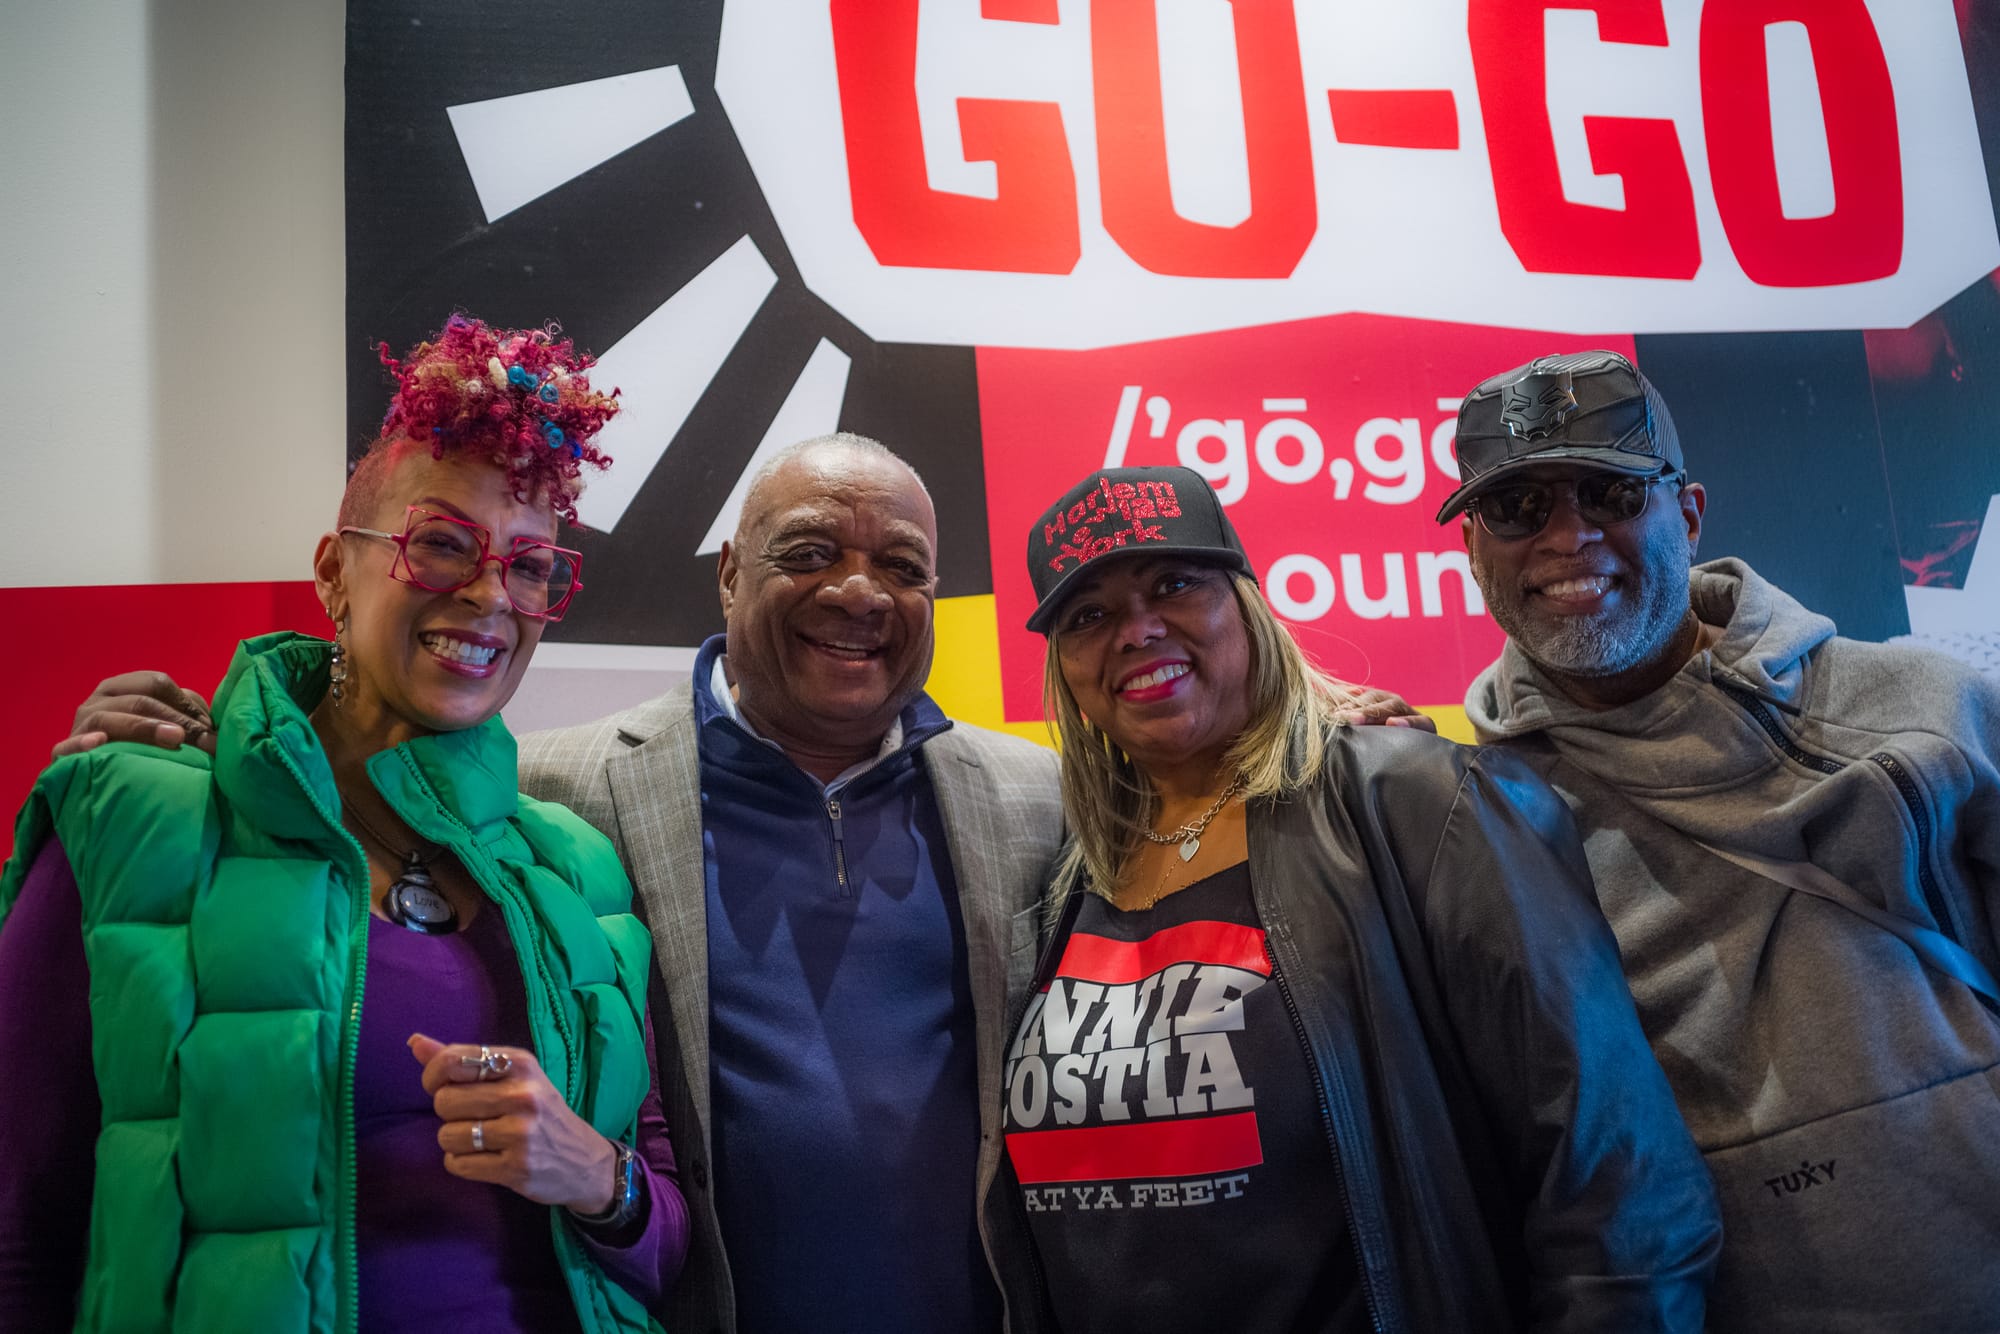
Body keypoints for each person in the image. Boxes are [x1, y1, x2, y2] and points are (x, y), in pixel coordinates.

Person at [53, 433, 1426, 1334]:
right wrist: (178, 743)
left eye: (900, 565)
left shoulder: (1031, 797)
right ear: (726, 577)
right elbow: (360, 798)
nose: (858, 591)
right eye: (810, 552)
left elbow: (1189, 802)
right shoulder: (556, 795)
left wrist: (1317, 727)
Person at [0, 316, 687, 1333]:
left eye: (531, 564)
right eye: (441, 544)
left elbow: (664, 1230)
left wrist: (600, 1176)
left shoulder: (573, 864)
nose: (492, 595)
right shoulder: (135, 816)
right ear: (333, 571)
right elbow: (17, 1226)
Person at [993, 463, 1721, 1332]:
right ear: (1065, 669)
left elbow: (1619, 1178)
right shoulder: (1069, 875)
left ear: (1247, 606)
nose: (1138, 630)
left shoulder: (1418, 801)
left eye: (1175, 584)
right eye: (1089, 615)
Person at [1440, 348, 2000, 1332]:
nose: (1567, 537)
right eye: (1517, 508)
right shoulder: (1472, 818)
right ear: (1473, 548)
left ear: (1687, 513)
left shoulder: (1925, 707)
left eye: (1609, 492)